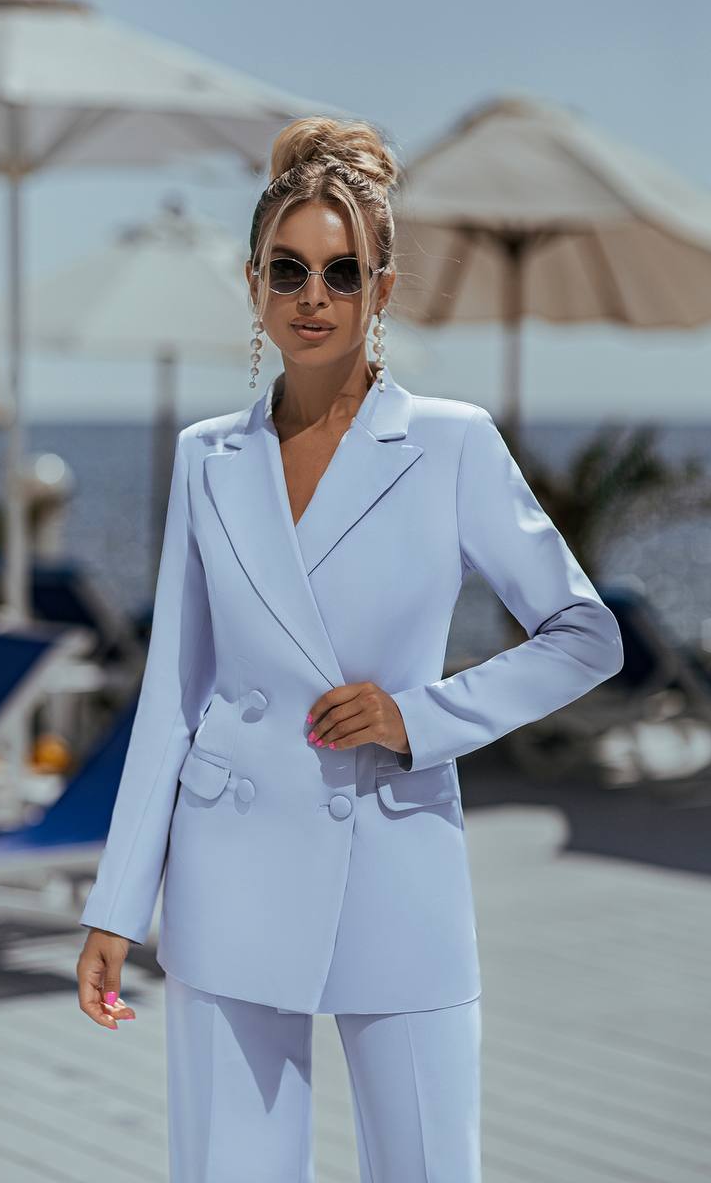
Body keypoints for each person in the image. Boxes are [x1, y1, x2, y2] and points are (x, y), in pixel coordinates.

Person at [76, 115, 624, 1181]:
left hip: (394, 853)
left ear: (381, 289)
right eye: (287, 270)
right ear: (252, 286)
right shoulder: (206, 459)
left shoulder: (450, 442)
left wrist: (422, 715)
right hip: (225, 871)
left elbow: (583, 632)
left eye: (339, 271)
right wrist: (114, 905)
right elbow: (173, 697)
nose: (311, 295)